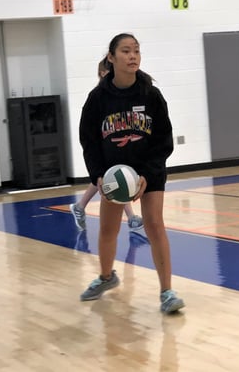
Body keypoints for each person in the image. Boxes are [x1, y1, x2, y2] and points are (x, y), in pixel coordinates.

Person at [79, 33, 185, 314]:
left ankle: (167, 292)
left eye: (136, 51)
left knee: (154, 223)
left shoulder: (150, 94)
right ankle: (106, 277)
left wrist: (148, 175)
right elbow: (88, 141)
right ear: (111, 58)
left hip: (149, 169)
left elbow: (164, 139)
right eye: (125, 51)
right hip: (114, 173)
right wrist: (99, 175)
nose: (133, 56)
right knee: (107, 229)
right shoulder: (98, 98)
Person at [70, 58, 143, 231]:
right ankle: (131, 217)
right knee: (113, 180)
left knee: (115, 180)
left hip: (120, 147)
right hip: (104, 147)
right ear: (103, 73)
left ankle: (80, 207)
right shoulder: (98, 96)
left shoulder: (120, 94)